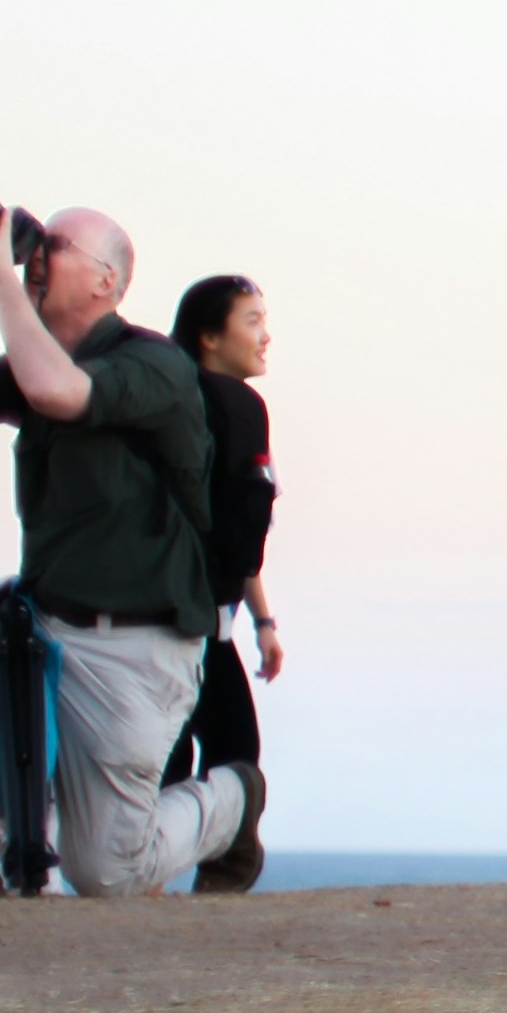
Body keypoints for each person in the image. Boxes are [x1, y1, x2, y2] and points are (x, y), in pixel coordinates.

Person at [0, 201, 258, 896]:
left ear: (107, 281)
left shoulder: (154, 364)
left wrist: (4, 284)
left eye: (58, 245)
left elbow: (60, 392)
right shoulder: (33, 357)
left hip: (138, 644)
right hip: (42, 625)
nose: (38, 255)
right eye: (36, 244)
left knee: (108, 873)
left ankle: (233, 800)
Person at [159, 275, 285, 805]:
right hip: (188, 624)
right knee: (229, 759)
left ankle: (161, 879)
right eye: (252, 321)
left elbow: (239, 529)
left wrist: (262, 621)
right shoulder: (235, 405)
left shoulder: (196, 402)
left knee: (185, 757)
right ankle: (170, 875)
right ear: (209, 337)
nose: (265, 337)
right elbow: (237, 524)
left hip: (208, 620)